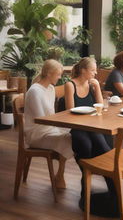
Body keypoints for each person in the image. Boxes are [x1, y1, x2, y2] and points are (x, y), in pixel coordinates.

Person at [63, 57, 114, 210]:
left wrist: (97, 87)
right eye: (93, 70)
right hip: (77, 126)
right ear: (83, 70)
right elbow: (69, 111)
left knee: (103, 148)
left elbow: (100, 107)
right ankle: (86, 182)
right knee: (85, 146)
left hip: (92, 126)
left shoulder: (92, 84)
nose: (95, 73)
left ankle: (113, 187)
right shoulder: (70, 85)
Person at [24, 59, 73, 189]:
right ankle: (60, 175)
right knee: (69, 138)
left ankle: (60, 174)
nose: (60, 77)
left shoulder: (50, 89)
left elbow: (50, 116)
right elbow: (41, 119)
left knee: (76, 134)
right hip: (37, 134)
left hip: (49, 129)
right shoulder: (35, 91)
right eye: (58, 74)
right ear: (50, 73)